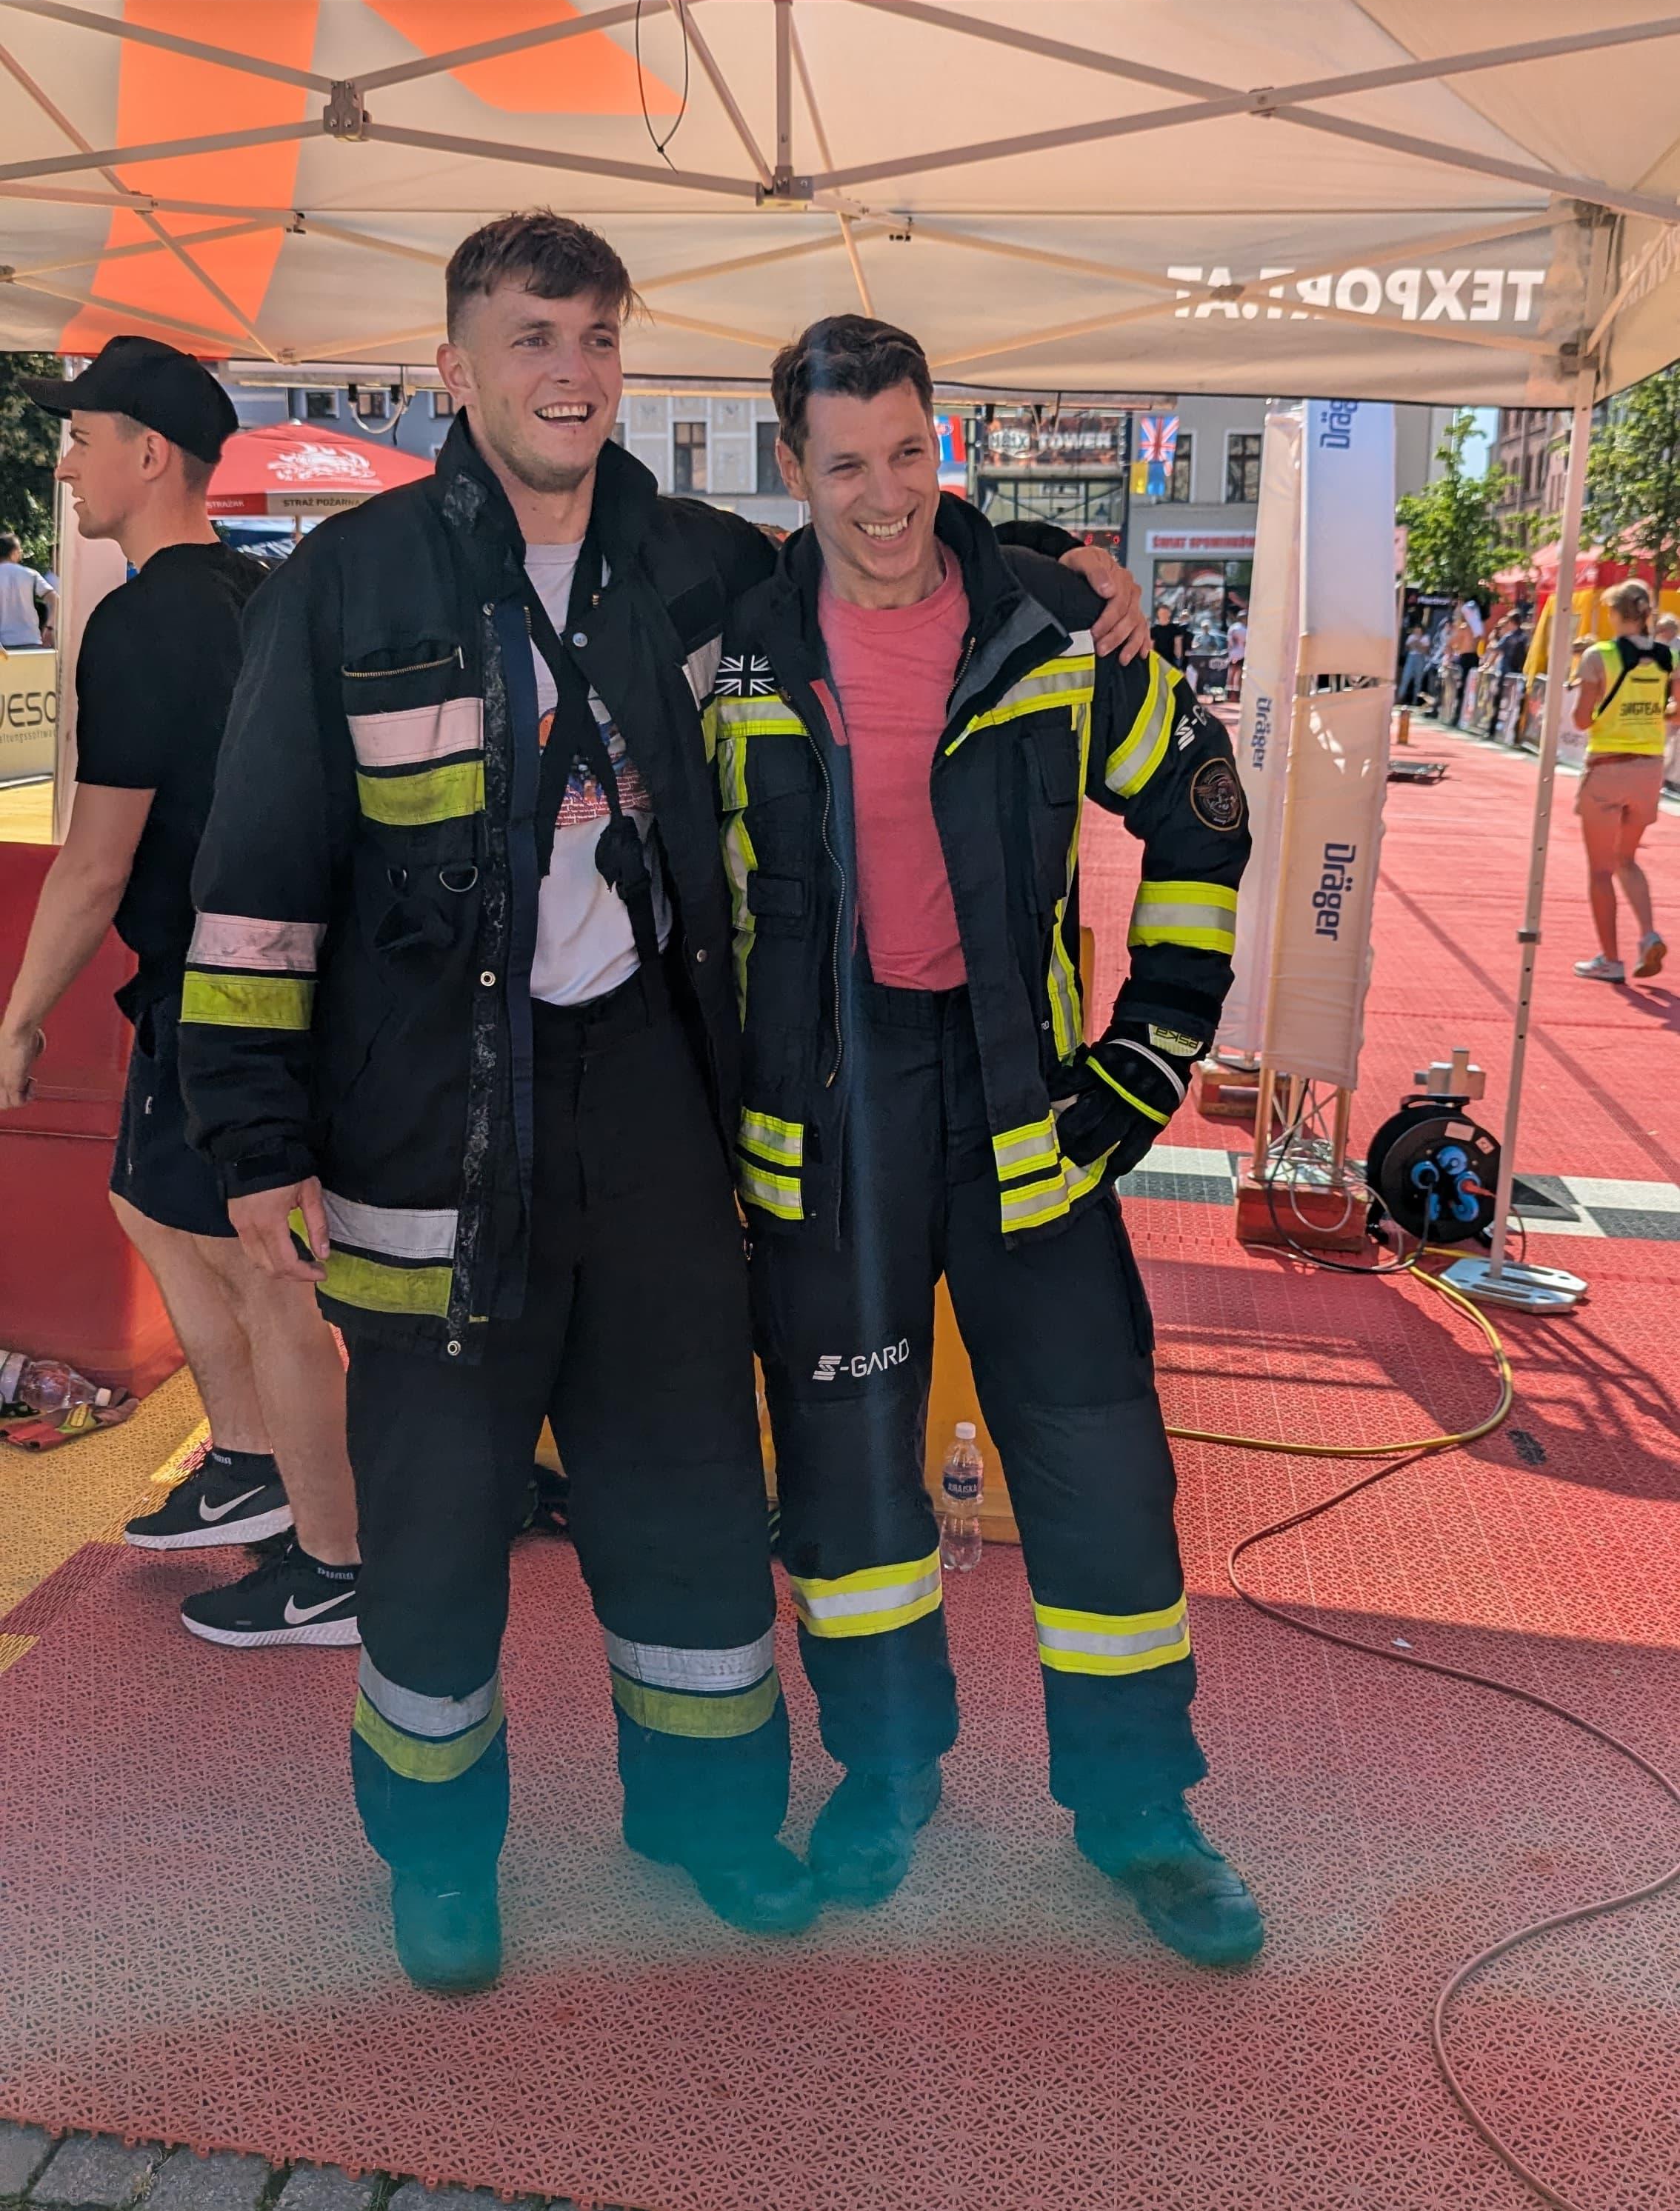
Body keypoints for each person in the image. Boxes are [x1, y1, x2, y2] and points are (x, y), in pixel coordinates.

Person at [178, 216, 1148, 1995]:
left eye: (600, 339)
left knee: (690, 1492)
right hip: (423, 1132)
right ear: (454, 368)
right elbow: (253, 880)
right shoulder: (344, 585)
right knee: (437, 1518)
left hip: (656, 1108)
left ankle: (708, 1824)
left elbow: (882, 550)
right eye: (534, 338)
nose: (575, 373)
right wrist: (249, 1136)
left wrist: (1052, 566)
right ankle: (438, 1859)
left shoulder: (697, 563)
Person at [713, 316, 1264, 1970]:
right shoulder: (729, 652)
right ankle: (885, 1775)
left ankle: (1139, 1807)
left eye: (907, 452)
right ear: (793, 469)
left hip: (1030, 1110)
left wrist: (1147, 1059)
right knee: (846, 1488)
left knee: (1099, 1472)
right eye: (845, 464)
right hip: (831, 1130)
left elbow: (1204, 810)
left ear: (937, 442)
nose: (884, 496)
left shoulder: (1052, 625)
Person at [0, 338, 361, 1650]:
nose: (67, 466)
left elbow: (96, 858)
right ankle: (253, 1460)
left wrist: (18, 1017)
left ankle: (337, 1564)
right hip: (240, 981)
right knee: (149, 1205)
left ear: (150, 455)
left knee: (268, 1275)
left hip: (225, 989)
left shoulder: (145, 620)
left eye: (83, 439)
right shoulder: (251, 593)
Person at [1570, 577, 1677, 982]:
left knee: (1600, 870)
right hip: (1649, 768)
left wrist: (1606, 710)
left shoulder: (1599, 655)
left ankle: (1610, 960)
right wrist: (1649, 713)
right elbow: (1678, 711)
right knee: (1627, 859)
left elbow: (1582, 721)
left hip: (1608, 765)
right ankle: (1648, 935)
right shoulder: (1668, 657)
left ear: (1615, 614)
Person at [0, 532, 56, 649]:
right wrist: (49, 627)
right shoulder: (31, 575)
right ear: (14, 552)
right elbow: (56, 601)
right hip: (30, 640)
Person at [1397, 625, 1427, 705]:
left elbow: (1424, 650)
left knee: (1418, 681)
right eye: (1416, 631)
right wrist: (1417, 645)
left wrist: (1416, 645)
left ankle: (1415, 700)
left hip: (1420, 659)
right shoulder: (1411, 637)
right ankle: (1400, 698)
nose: (1417, 633)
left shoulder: (1425, 638)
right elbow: (1408, 648)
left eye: (1418, 631)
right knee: (1405, 678)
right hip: (1411, 657)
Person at [1224, 609, 1247, 704]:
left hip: (1235, 654)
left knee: (1233, 674)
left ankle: (1231, 695)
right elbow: (1245, 642)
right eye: (1245, 618)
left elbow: (1229, 642)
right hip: (1240, 654)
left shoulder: (1233, 627)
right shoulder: (1242, 629)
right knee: (1237, 675)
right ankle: (1235, 696)